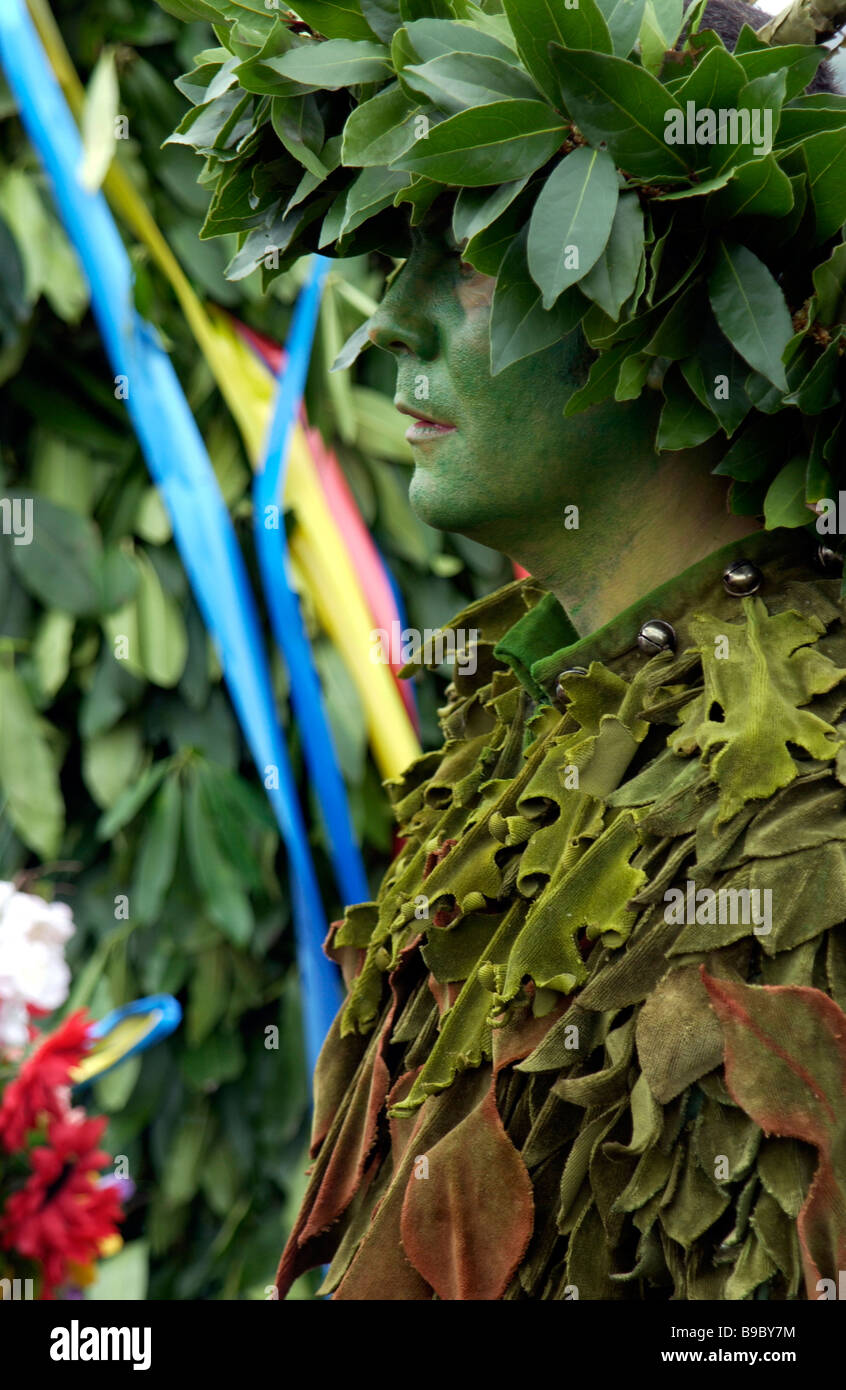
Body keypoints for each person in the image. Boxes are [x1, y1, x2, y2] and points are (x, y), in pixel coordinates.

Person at [161, 0, 846, 1298]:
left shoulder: (802, 800)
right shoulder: (528, 694)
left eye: (474, 248)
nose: (385, 327)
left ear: (671, 302)